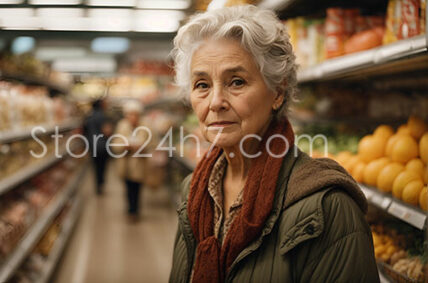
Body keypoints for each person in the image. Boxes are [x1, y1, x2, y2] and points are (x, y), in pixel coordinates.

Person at [169, 5, 379, 283]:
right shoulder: (194, 191)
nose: (216, 102)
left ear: (277, 93)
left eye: (236, 82)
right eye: (202, 85)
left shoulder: (328, 210)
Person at [112, 100, 148, 219]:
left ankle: (135, 210)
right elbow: (115, 144)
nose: (132, 117)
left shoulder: (145, 126)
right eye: (129, 114)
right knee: (128, 187)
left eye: (134, 114)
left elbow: (151, 144)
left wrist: (141, 147)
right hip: (125, 163)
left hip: (138, 163)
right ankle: (130, 209)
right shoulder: (122, 126)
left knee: (137, 187)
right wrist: (124, 146)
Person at [83, 98, 112, 195]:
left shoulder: (88, 116)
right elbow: (107, 131)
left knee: (96, 167)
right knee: (102, 167)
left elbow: (84, 132)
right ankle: (101, 184)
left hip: (92, 145)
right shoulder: (103, 116)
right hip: (102, 145)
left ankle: (97, 186)